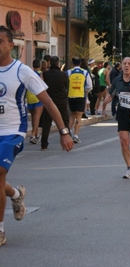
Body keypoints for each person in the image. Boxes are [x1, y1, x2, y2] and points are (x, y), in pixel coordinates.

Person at [0, 26, 74, 247]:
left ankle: (0, 231)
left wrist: (63, 131)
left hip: (12, 132)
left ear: (11, 45)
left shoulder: (21, 71)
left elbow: (48, 102)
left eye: (0, 41)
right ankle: (15, 194)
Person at [105, 57, 130, 179]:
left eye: (129, 64)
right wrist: (108, 98)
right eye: (124, 63)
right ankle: (129, 168)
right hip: (123, 114)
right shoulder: (117, 80)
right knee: (123, 141)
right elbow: (111, 93)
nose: (126, 66)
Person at [41, 56, 70, 151]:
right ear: (58, 63)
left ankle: (44, 144)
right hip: (61, 100)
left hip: (49, 100)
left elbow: (41, 86)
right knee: (65, 121)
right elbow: (67, 87)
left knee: (47, 123)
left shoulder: (45, 74)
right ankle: (68, 138)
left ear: (50, 63)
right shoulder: (63, 74)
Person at [66, 57, 93, 144]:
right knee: (78, 117)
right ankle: (76, 135)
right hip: (81, 96)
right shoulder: (85, 72)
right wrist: (85, 91)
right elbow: (89, 85)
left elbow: (66, 84)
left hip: (71, 96)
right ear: (80, 63)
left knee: (72, 115)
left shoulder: (69, 72)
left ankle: (68, 133)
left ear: (72, 64)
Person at [27, 59, 44, 144]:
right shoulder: (41, 74)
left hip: (30, 97)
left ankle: (36, 134)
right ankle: (33, 135)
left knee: (34, 117)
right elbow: (42, 84)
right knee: (37, 117)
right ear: (40, 66)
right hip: (38, 97)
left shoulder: (29, 74)